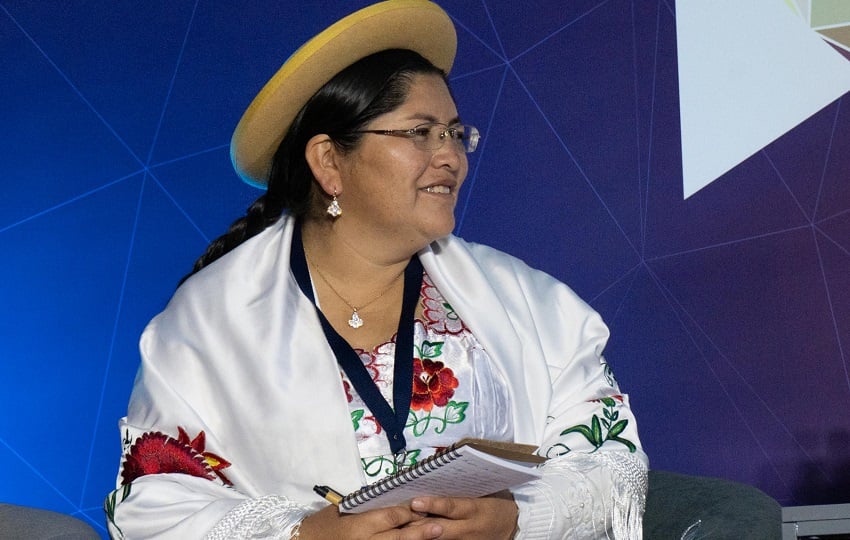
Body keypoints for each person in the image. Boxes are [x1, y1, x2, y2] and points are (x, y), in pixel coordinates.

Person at [104, 1, 649, 538]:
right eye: (420, 133)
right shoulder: (208, 324)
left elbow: (613, 460)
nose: (451, 157)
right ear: (329, 162)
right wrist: (305, 536)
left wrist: (521, 517)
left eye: (456, 134)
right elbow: (154, 505)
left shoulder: (526, 300)